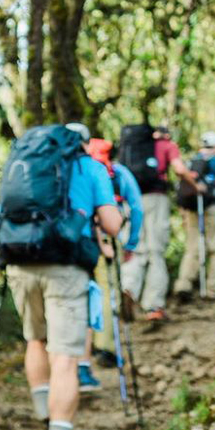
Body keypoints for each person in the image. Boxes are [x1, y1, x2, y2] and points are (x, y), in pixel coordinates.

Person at [2, 123, 122, 430]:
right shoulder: (90, 168)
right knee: (66, 358)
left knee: (35, 340)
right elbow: (113, 225)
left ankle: (45, 417)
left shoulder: (24, 160)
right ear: (83, 143)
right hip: (66, 268)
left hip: (20, 260)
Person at [74, 136, 144, 383]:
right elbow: (136, 207)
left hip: (79, 241)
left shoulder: (75, 170)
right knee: (106, 291)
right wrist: (131, 243)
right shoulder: (117, 173)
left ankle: (84, 355)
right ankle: (105, 347)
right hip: (108, 239)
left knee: (84, 294)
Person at [119, 125, 202, 322]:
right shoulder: (166, 145)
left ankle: (128, 288)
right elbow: (179, 169)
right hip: (156, 199)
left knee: (136, 249)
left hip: (131, 201)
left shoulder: (131, 147)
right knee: (155, 251)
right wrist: (195, 186)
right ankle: (154, 305)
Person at [173, 131, 215, 301]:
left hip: (191, 209)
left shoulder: (192, 161)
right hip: (211, 207)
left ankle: (184, 284)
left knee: (193, 247)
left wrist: (182, 212)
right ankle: (213, 289)